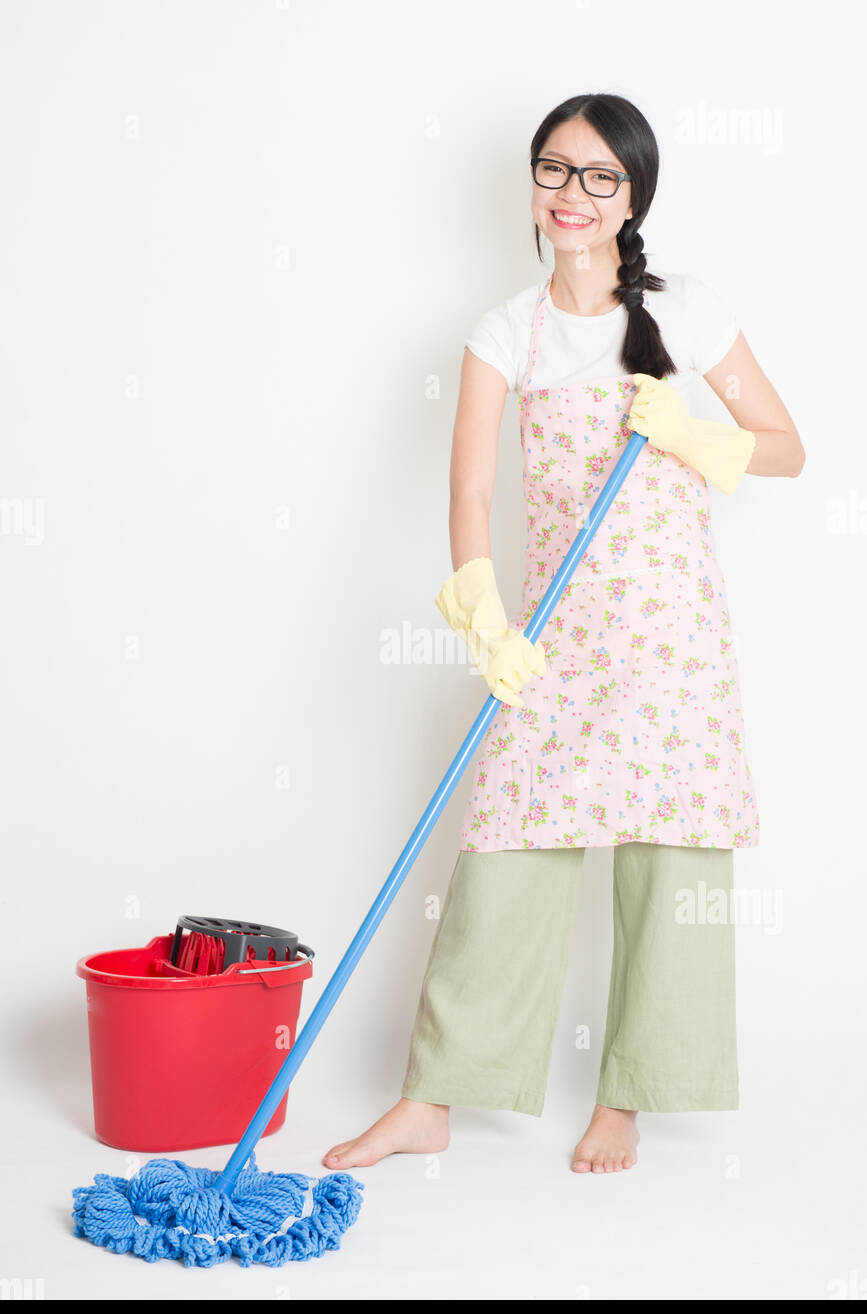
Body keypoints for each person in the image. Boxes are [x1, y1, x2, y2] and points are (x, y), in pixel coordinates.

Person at [323, 92, 804, 1176]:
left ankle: (627, 1100)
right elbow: (468, 493)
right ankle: (432, 1097)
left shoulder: (688, 311)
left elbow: (786, 447)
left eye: (598, 176)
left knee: (668, 857)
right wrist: (485, 620)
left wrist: (691, 432)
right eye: (554, 169)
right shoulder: (505, 331)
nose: (571, 193)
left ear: (633, 196)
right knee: (505, 848)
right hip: (552, 640)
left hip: (672, 637)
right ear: (532, 183)